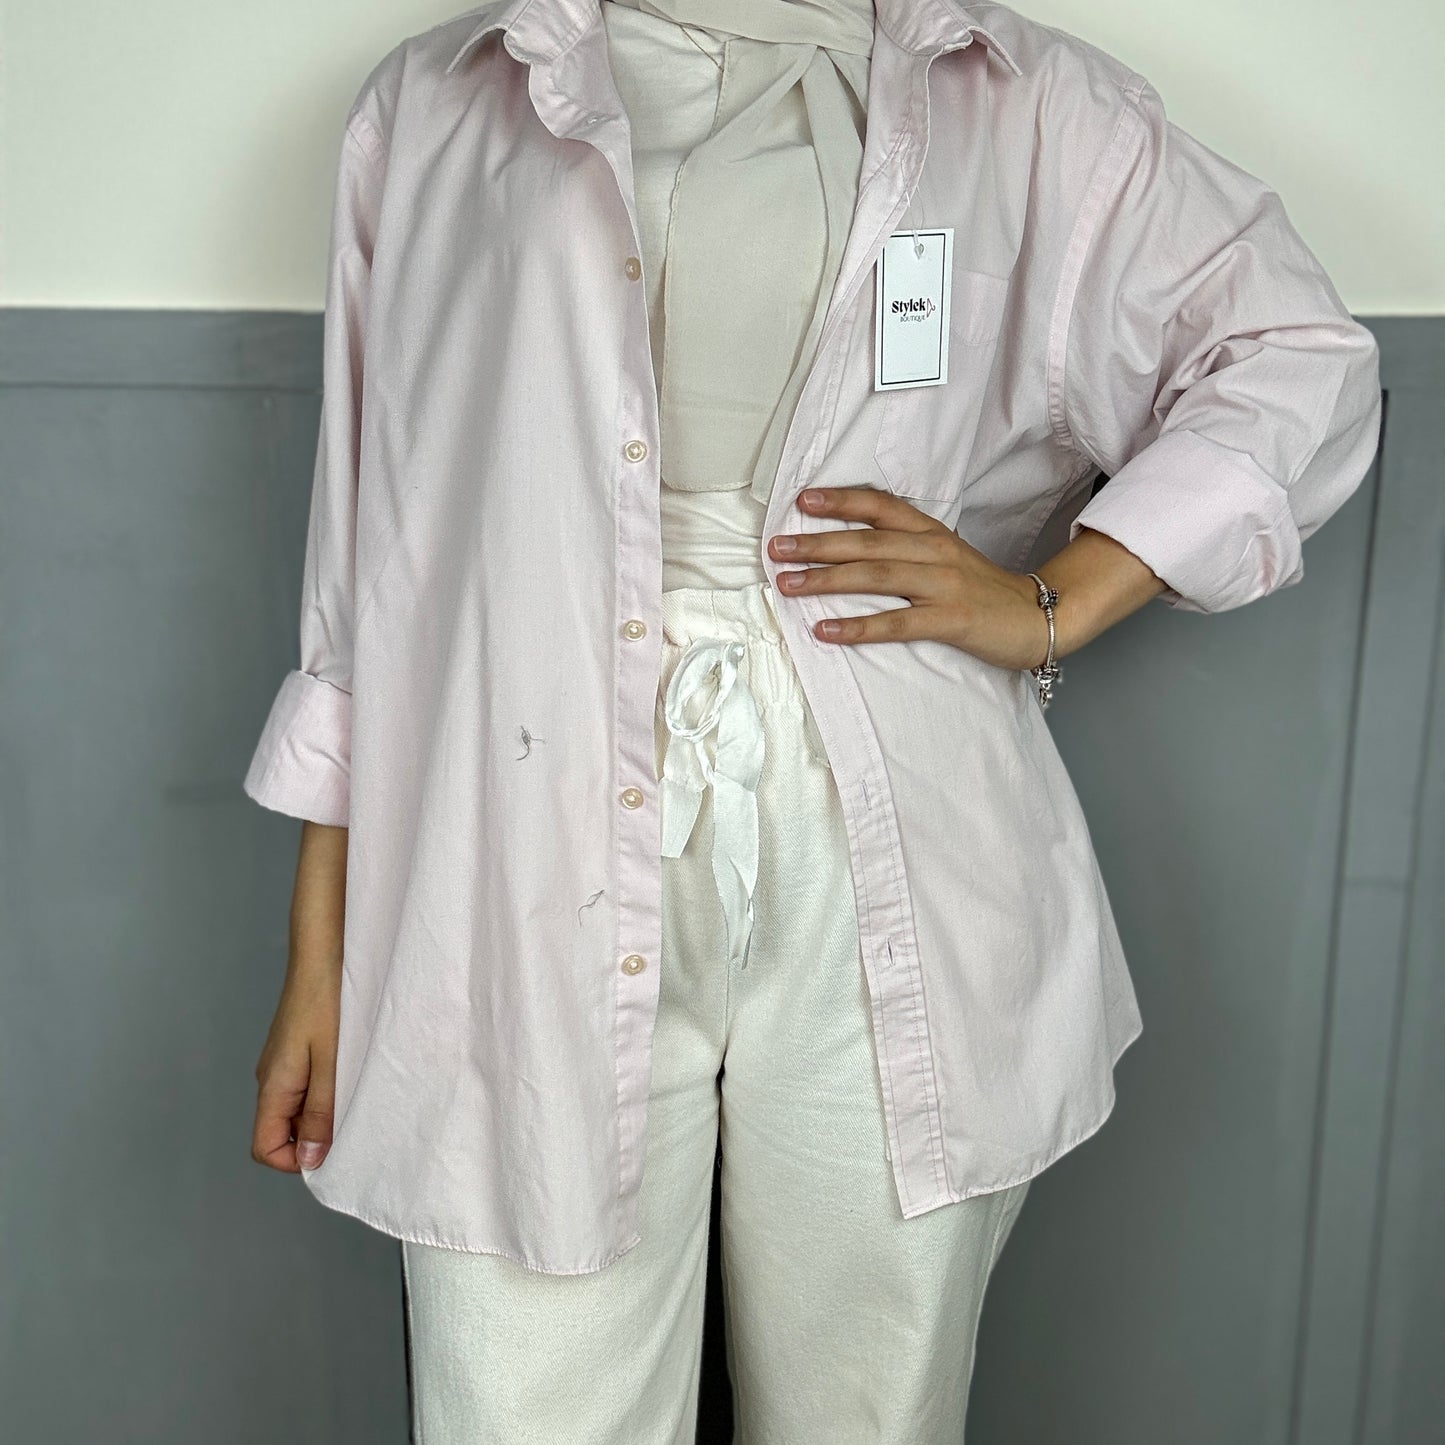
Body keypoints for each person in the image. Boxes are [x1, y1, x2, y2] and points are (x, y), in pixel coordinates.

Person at [244, 0, 1382, 1439]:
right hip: (507, 827)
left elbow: (1295, 354)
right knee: (523, 1398)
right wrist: (325, 949)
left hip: (891, 826)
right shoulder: (443, 101)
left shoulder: (1026, 104)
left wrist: (1050, 601)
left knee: (868, 1406)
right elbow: (376, 559)